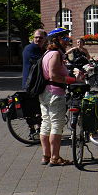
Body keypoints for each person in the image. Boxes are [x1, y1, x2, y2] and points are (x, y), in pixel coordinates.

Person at [39, 27, 84, 166]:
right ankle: (55, 157)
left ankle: (46, 156)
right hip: (55, 93)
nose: (67, 41)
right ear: (56, 40)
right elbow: (53, 75)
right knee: (56, 126)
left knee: (46, 124)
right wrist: (73, 80)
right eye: (64, 38)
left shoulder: (47, 53)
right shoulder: (55, 54)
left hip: (45, 93)